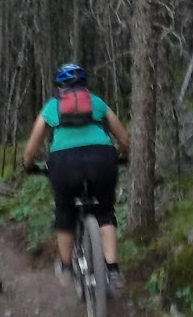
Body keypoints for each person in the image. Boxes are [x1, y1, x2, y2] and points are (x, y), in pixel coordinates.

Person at [21, 63, 132, 293]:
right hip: (102, 158)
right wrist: (123, 156)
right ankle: (112, 270)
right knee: (105, 212)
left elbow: (31, 148)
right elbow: (124, 138)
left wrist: (28, 165)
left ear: (61, 88)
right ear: (84, 86)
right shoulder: (97, 102)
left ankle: (66, 268)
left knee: (65, 213)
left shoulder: (52, 107)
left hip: (64, 164)